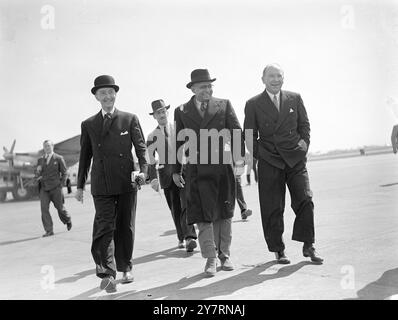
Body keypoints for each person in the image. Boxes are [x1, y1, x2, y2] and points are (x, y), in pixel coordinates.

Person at [243, 63, 323, 265]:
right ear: (263, 79)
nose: (275, 79)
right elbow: (249, 134)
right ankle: (278, 249)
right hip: (270, 161)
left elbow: (304, 125)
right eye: (271, 76)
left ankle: (309, 244)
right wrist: (260, 155)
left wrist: (303, 146)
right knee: (272, 207)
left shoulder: (294, 98)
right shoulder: (253, 103)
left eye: (279, 76)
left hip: (295, 159)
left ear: (283, 78)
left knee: (305, 199)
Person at [75, 75, 148, 293]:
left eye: (110, 92)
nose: (107, 96)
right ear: (96, 97)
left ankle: (126, 268)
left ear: (115, 94)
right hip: (101, 183)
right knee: (104, 227)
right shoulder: (88, 124)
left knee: (125, 226)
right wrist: (79, 186)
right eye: (102, 93)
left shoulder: (129, 118)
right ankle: (107, 273)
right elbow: (85, 156)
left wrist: (144, 172)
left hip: (127, 180)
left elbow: (141, 148)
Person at [173, 69, 245, 276]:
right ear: (193, 89)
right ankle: (210, 258)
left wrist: (239, 161)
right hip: (196, 168)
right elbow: (178, 140)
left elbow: (236, 132)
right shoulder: (182, 111)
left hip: (222, 166)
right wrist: (176, 170)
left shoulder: (224, 104)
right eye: (203, 86)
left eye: (210, 86)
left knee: (225, 212)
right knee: (203, 215)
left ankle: (225, 255)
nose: (208, 90)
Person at [147, 99, 198, 252]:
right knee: (175, 208)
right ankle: (181, 236)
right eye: (158, 113)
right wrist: (153, 178)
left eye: (163, 111)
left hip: (182, 173)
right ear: (154, 116)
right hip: (166, 177)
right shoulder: (151, 136)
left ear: (167, 112)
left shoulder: (178, 130)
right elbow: (150, 160)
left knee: (185, 205)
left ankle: (190, 237)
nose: (161, 114)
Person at [37, 140, 72, 237]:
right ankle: (49, 230)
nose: (47, 148)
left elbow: (65, 173)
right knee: (44, 209)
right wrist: (37, 172)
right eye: (45, 146)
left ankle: (67, 220)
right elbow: (37, 173)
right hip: (44, 188)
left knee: (60, 208)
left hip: (56, 188)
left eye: (48, 146)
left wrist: (61, 185)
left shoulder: (59, 158)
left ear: (52, 146)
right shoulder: (40, 160)